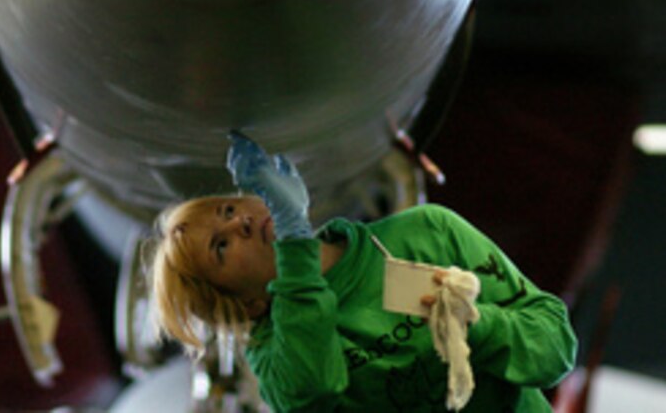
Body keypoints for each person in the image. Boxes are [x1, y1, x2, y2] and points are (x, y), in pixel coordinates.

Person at [149, 131, 578, 412]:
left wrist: (480, 329)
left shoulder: (426, 232)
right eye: (220, 246)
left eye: (228, 208)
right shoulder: (276, 361)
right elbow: (316, 385)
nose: (237, 222)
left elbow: (556, 349)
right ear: (247, 302)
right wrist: (296, 243)